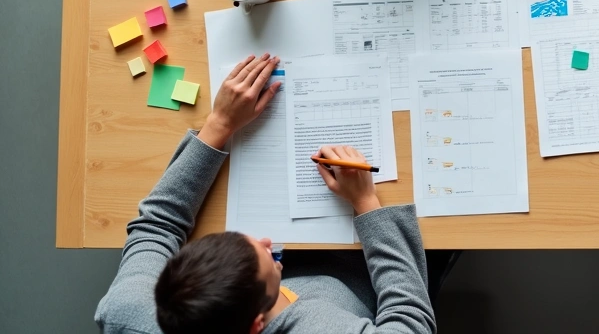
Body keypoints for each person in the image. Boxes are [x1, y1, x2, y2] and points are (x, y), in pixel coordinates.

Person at [94, 53, 448, 333]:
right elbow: (411, 323)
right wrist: (367, 204)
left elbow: (156, 226)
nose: (268, 242)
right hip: (358, 279)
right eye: (268, 257)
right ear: (256, 325)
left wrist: (219, 123)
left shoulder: (131, 312)